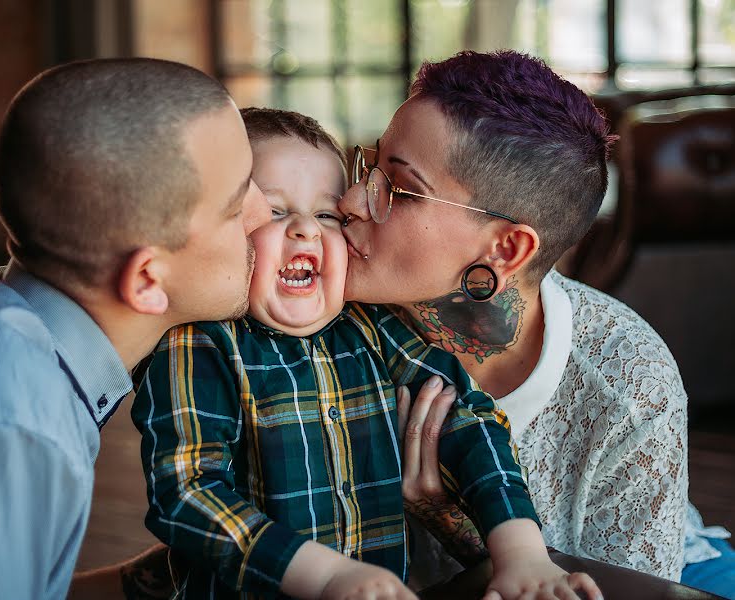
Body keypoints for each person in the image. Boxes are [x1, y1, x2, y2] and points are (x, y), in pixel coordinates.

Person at [0, 58, 270, 599]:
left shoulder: (9, 342)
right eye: (236, 205)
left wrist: (198, 567)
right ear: (146, 280)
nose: (266, 212)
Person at [131, 107, 601, 600]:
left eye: (327, 215)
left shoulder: (372, 326)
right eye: (273, 211)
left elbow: (469, 418)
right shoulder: (198, 345)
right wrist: (326, 575)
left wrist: (521, 553)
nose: (305, 230)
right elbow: (185, 493)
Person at [337, 49, 733, 597]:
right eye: (368, 166)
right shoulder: (325, 326)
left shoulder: (626, 380)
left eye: (399, 190)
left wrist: (458, 526)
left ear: (507, 248)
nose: (352, 200)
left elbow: (623, 588)